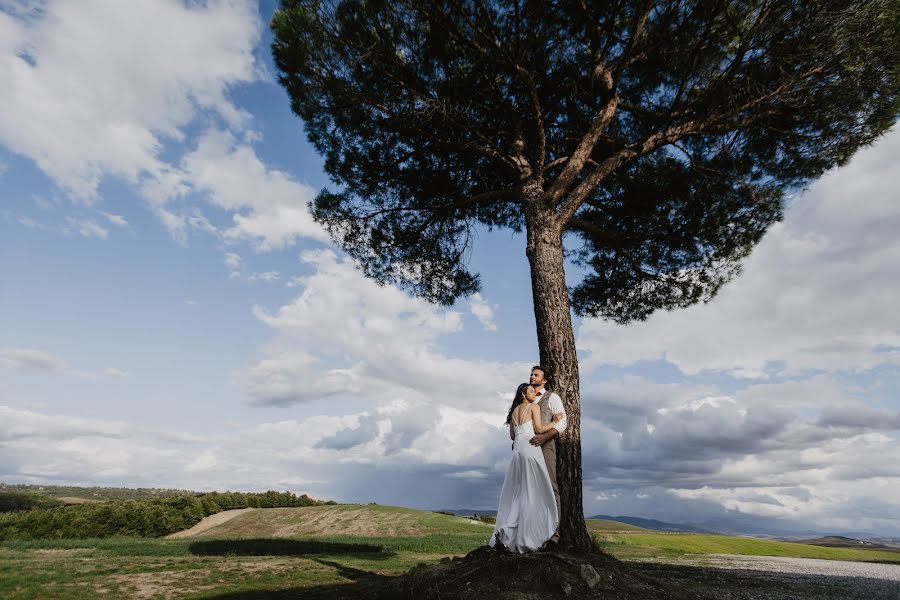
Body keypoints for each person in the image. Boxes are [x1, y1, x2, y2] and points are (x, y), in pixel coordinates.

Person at [488, 382, 561, 553]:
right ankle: (531, 534)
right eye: (531, 391)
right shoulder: (534, 407)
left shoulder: (514, 411)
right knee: (536, 489)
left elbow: (513, 435)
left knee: (518, 491)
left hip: (517, 453)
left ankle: (509, 532)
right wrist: (555, 422)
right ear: (523, 394)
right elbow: (540, 428)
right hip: (530, 448)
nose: (534, 394)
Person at [527, 365, 567, 547]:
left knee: (550, 486)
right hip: (526, 448)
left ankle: (553, 535)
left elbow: (562, 422)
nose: (532, 376)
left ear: (544, 380)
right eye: (531, 374)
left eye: (536, 375)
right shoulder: (525, 398)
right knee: (529, 488)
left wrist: (545, 436)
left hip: (545, 445)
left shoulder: (552, 397)